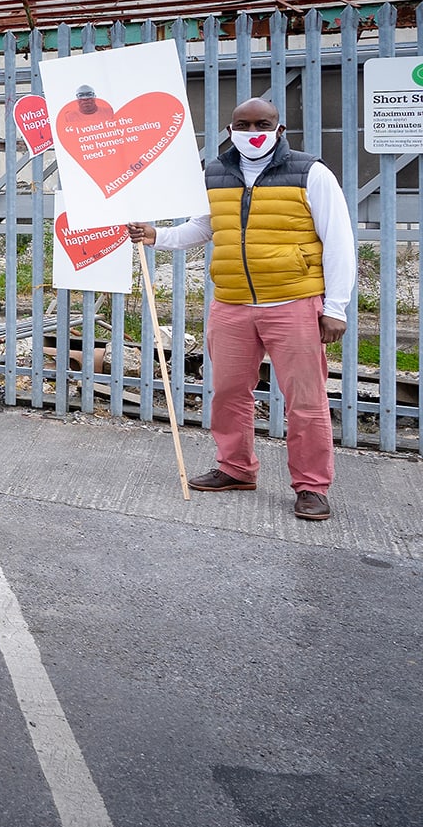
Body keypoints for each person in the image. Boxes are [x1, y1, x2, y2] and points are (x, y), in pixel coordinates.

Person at [127, 98, 355, 520]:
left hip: (294, 302)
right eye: (243, 124)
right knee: (229, 394)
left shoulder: (311, 173)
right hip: (231, 303)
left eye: (263, 124)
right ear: (230, 130)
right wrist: (156, 235)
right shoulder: (214, 173)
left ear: (279, 129)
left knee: (304, 400)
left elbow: (338, 241)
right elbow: (203, 227)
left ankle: (311, 486)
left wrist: (336, 307)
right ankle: (236, 468)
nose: (253, 131)